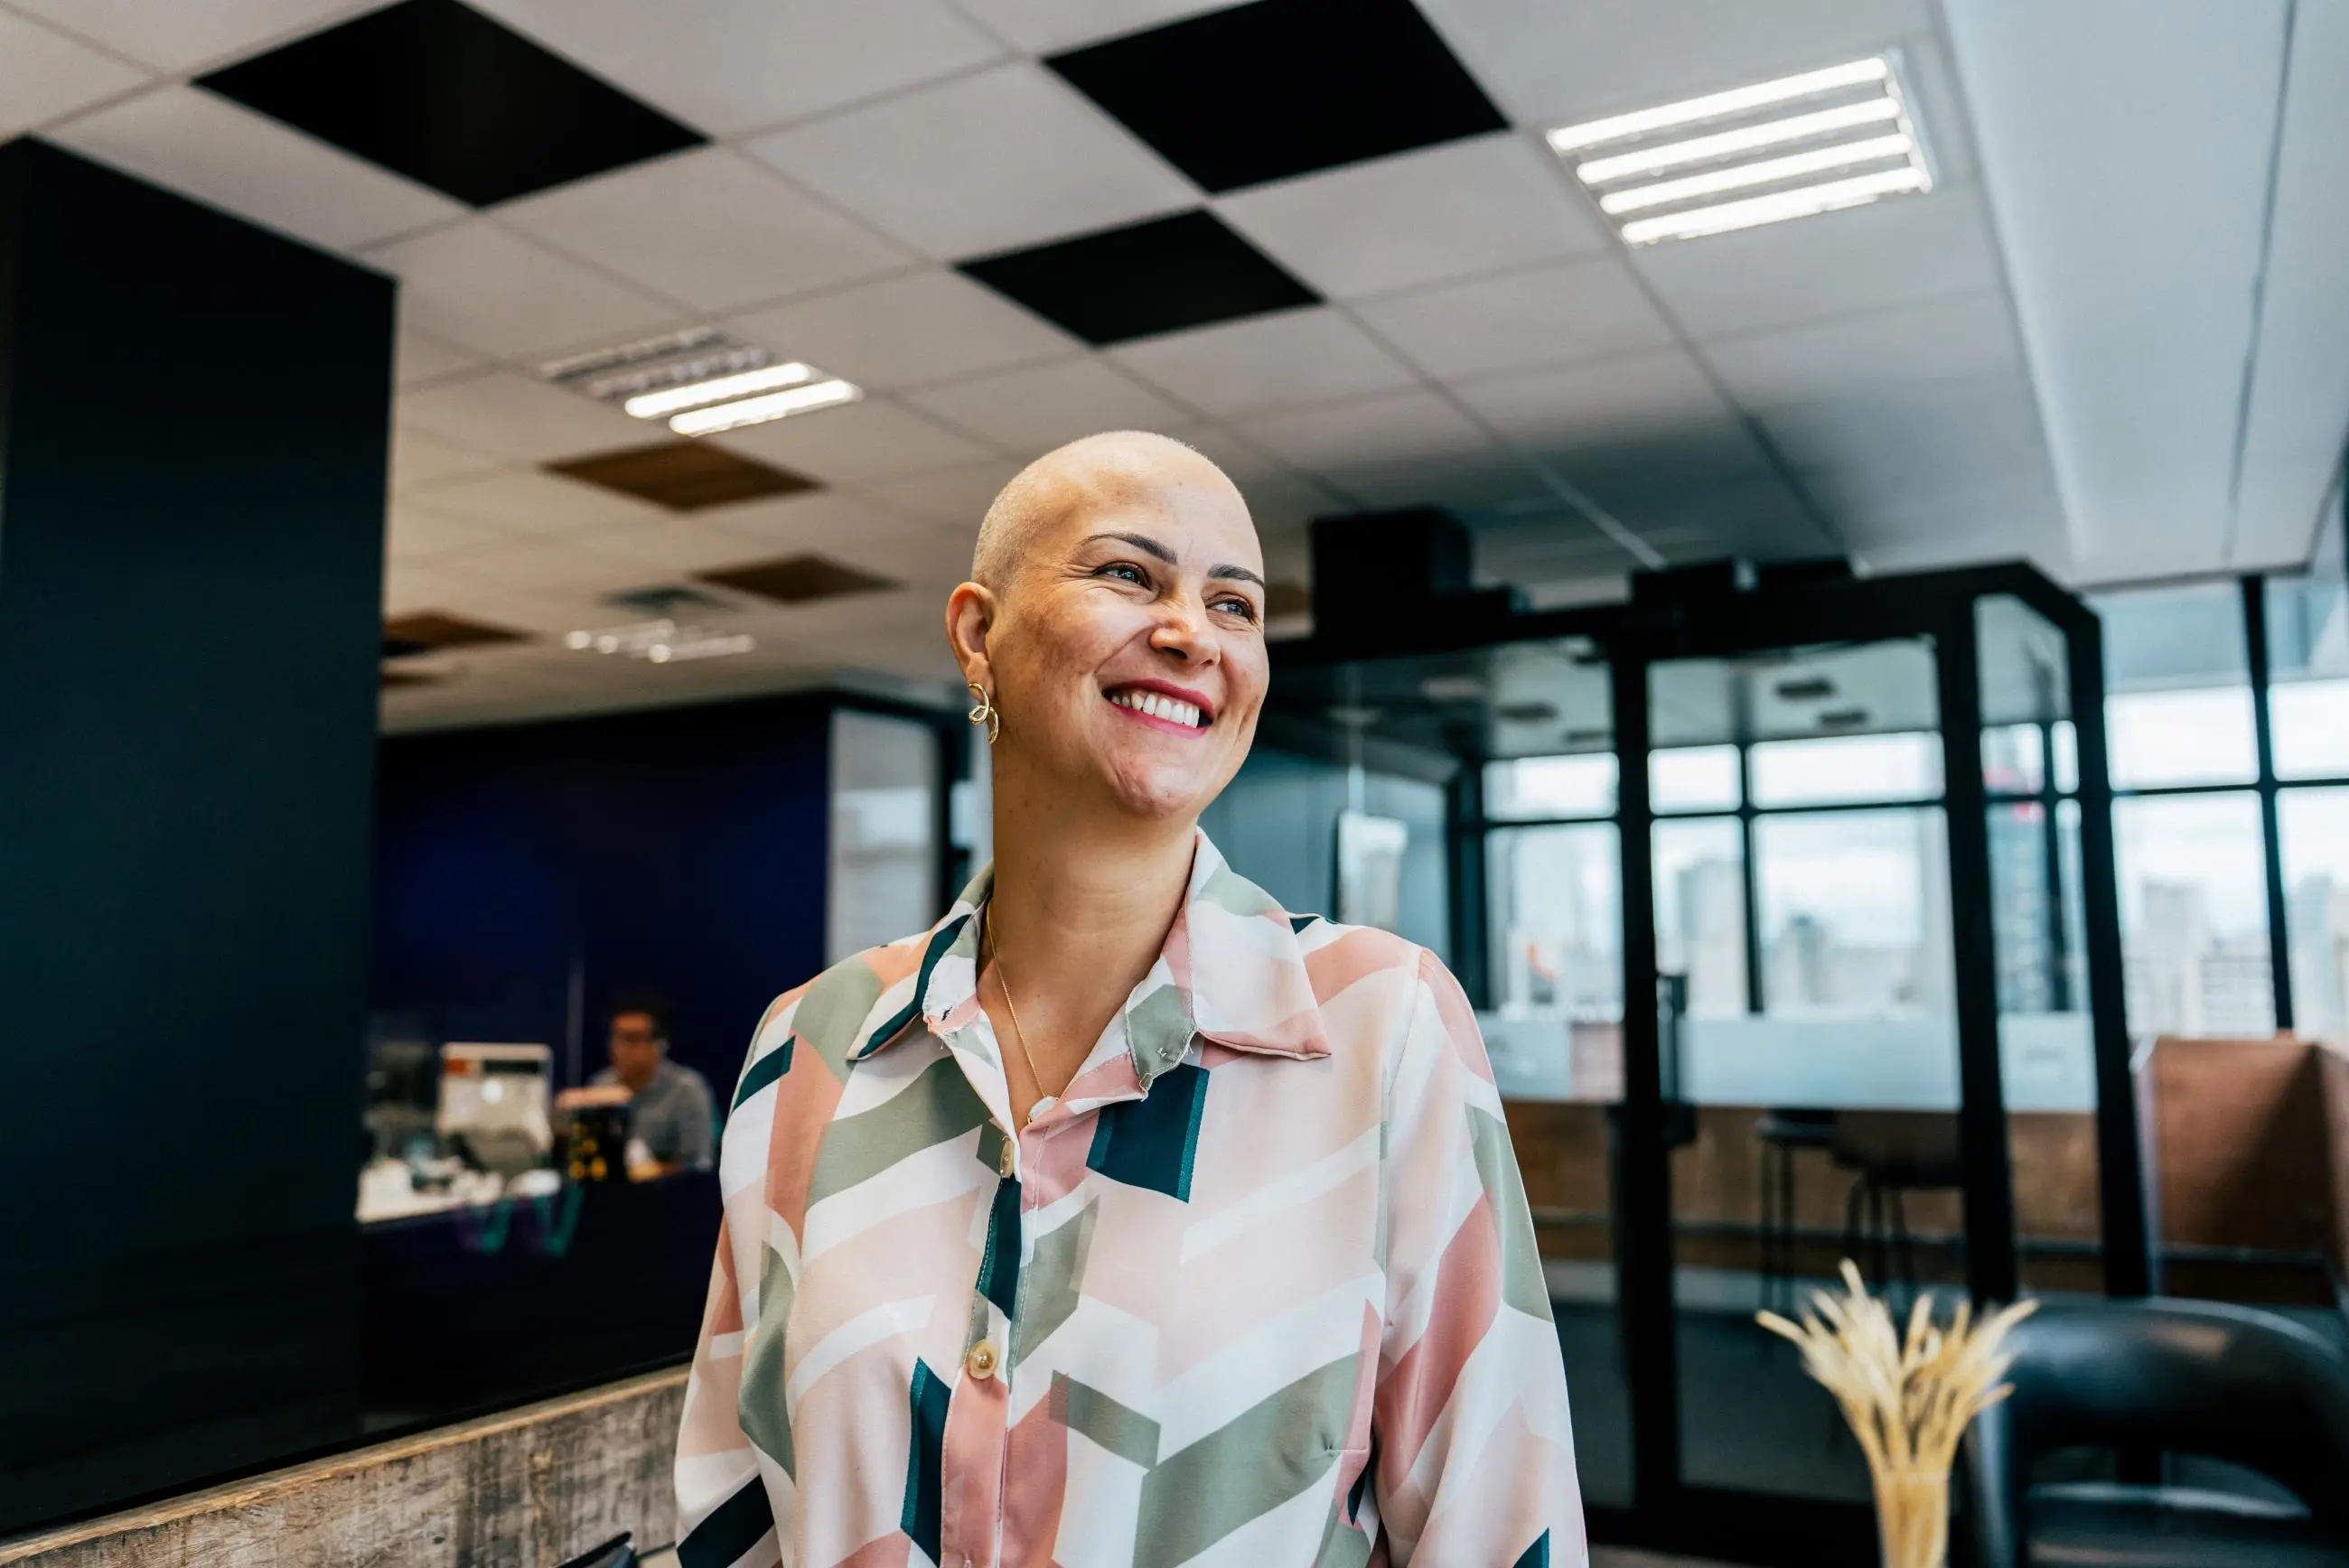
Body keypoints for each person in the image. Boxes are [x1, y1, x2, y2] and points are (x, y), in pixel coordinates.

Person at [675, 433, 1584, 1567]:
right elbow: (730, 1508)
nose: (1190, 632)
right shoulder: (815, 1042)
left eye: (1234, 604)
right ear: (976, 634)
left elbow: (1498, 1521)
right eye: (1127, 574)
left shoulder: (1375, 1026)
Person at [587, 995, 715, 1177]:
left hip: (669, 1197)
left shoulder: (686, 1089)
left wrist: (656, 1171)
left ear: (659, 1045)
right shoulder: (600, 1085)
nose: (621, 1048)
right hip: (609, 1196)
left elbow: (699, 1163)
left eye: (632, 1039)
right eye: (617, 1038)